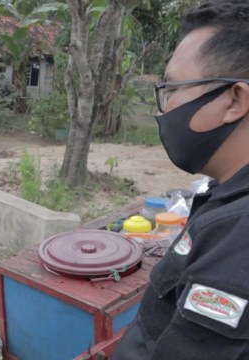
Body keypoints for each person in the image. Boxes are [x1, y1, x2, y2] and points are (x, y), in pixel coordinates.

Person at [112, 0, 249, 359]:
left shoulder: (239, 238)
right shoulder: (228, 193)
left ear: (235, 100)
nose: (165, 108)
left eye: (172, 89)